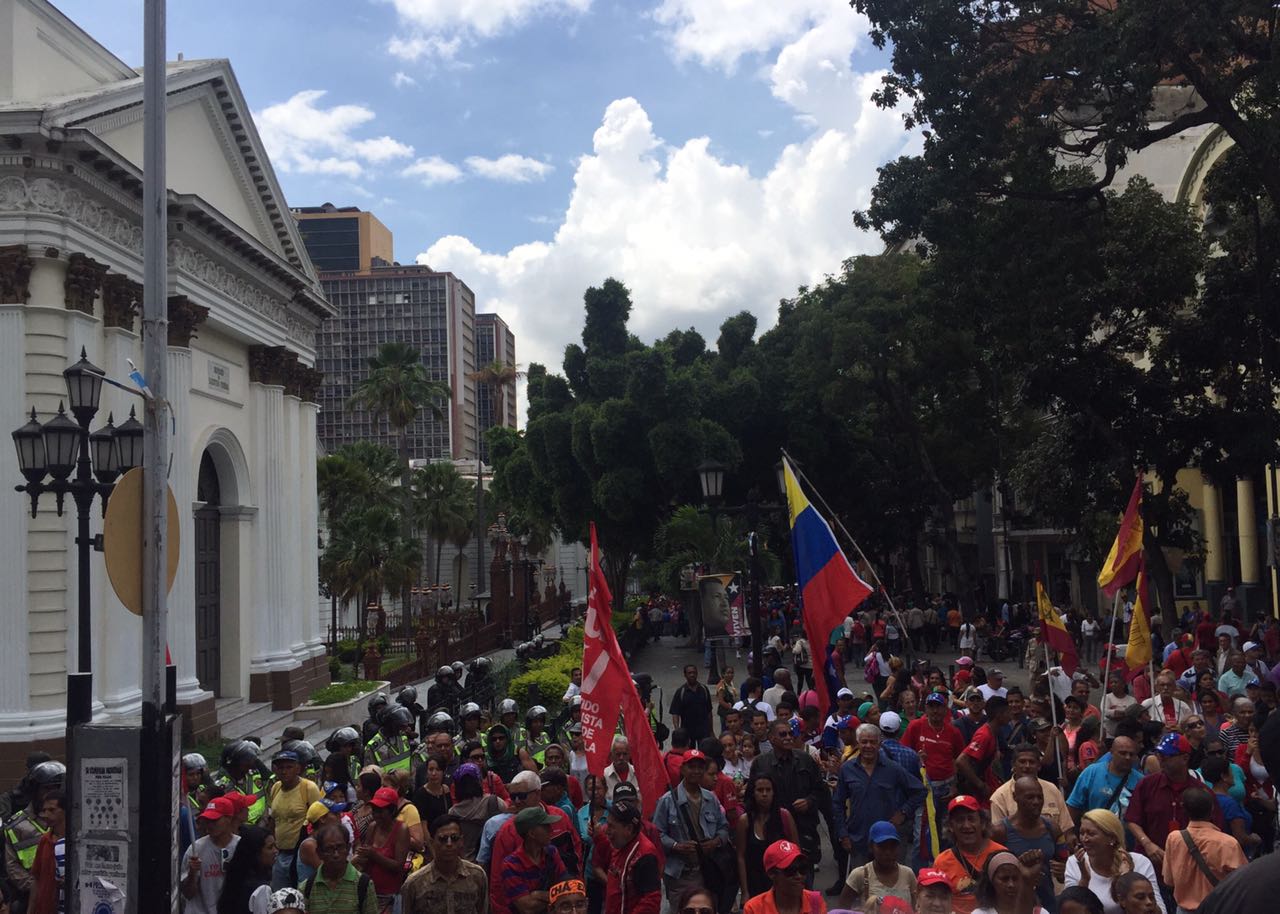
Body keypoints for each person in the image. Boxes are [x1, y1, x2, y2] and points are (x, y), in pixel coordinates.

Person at [832, 724, 925, 872]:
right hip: (858, 839)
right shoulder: (847, 769)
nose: (868, 746)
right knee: (861, 886)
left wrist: (903, 813)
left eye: (872, 742)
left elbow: (920, 790)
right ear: (858, 743)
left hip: (886, 842)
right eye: (864, 742)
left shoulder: (892, 768)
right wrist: (843, 834)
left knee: (889, 887)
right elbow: (837, 803)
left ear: (879, 743)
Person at [1125, 734, 1224, 864]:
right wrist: (1147, 843)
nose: (1161, 760)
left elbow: (1216, 829)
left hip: (1188, 864)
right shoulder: (1147, 784)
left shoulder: (1202, 792)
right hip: (1151, 862)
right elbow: (1132, 819)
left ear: (1185, 758)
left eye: (1167, 757)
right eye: (1159, 755)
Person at [652, 750, 732, 907]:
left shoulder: (711, 798)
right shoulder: (668, 801)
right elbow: (657, 834)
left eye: (700, 767)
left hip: (707, 870)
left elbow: (724, 828)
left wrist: (715, 842)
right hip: (680, 874)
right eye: (691, 767)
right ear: (683, 769)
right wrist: (676, 846)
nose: (696, 771)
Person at [750, 720, 828, 875]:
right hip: (773, 830)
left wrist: (809, 801)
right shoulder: (760, 763)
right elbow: (751, 797)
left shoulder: (805, 760)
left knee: (803, 879)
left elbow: (820, 790)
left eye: (791, 733)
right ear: (771, 738)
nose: (788, 737)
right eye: (783, 734)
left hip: (803, 829)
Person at [1160, 787, 1245, 914]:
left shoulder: (1174, 838)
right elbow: (1242, 884)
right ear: (1212, 810)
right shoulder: (1228, 843)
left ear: (1184, 810)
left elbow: (1168, 880)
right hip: (1219, 909)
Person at [1062, 810, 1166, 914]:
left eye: (1091, 834)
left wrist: (1127, 878)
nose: (1084, 839)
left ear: (1111, 838)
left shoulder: (1140, 863)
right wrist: (1084, 880)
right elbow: (1071, 909)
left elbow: (1160, 911)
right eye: (1082, 833)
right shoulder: (1075, 862)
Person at [989, 777, 1065, 912]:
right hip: (1013, 906)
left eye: (1039, 797)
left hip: (1047, 903)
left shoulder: (1053, 829)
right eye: (1030, 797)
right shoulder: (999, 832)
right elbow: (989, 873)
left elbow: (1063, 868)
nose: (1036, 802)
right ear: (1015, 797)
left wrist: (1062, 869)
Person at [932, 796, 1008, 914]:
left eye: (971, 819)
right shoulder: (942, 862)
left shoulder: (1001, 855)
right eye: (960, 820)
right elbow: (937, 902)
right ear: (951, 827)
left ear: (982, 823)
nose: (966, 825)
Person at [400, 813, 488, 914]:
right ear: (432, 843)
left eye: (454, 838)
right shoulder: (414, 884)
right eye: (443, 839)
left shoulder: (477, 876)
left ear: (461, 841)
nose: (449, 844)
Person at [5, 759, 64, 908]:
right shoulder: (17, 825)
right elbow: (12, 866)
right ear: (35, 791)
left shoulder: (71, 819)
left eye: (56, 787)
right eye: (47, 788)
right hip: (33, 893)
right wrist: (36, 886)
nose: (51, 793)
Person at [990, 745, 1075, 845]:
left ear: (1039, 766)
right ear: (1013, 765)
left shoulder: (1052, 790)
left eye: (1032, 762)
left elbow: (1066, 830)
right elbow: (997, 837)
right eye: (1022, 762)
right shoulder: (1000, 796)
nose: (1027, 766)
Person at [735, 774, 799, 901]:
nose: (764, 794)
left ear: (774, 792)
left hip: (782, 885)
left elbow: (796, 853)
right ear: (753, 793)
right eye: (760, 790)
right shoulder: (745, 821)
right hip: (755, 885)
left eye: (768, 790)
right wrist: (745, 891)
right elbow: (741, 857)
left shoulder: (784, 816)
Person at [268, 750, 323, 890]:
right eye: (280, 768)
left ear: (298, 768)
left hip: (300, 855)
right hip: (280, 854)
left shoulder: (308, 788)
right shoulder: (275, 788)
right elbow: (273, 819)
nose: (284, 771)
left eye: (289, 767)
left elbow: (319, 819)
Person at [498, 807, 568, 914]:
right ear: (531, 833)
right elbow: (527, 907)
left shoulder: (552, 853)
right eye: (545, 826)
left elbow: (568, 890)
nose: (551, 829)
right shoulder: (511, 865)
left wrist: (537, 894)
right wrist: (557, 897)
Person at [837, 820, 917, 911]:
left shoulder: (908, 874)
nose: (888, 852)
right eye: (882, 846)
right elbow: (842, 909)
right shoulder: (860, 875)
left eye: (893, 846)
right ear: (871, 847)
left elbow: (917, 907)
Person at [297, 824, 376, 914]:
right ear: (319, 853)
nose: (336, 854)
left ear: (348, 848)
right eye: (329, 849)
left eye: (340, 847)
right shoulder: (307, 888)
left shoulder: (363, 885)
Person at [905, 691, 966, 806]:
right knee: (926, 823)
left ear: (945, 709)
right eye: (931, 707)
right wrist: (917, 758)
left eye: (938, 706)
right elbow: (904, 754)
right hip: (923, 787)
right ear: (926, 709)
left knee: (945, 822)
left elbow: (959, 760)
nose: (935, 711)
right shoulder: (915, 726)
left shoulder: (954, 732)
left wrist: (954, 786)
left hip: (947, 788)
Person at [182, 797, 242, 914]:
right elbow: (188, 894)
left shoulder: (241, 847)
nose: (210, 825)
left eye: (214, 820)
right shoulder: (195, 849)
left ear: (228, 819)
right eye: (207, 821)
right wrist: (192, 873)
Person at [602, 799, 662, 914]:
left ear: (628, 829)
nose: (607, 830)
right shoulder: (621, 842)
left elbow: (651, 901)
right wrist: (597, 837)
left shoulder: (645, 856)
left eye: (611, 826)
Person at [1067, 736, 1143, 823]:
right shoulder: (1092, 772)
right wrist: (1070, 834)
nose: (1127, 757)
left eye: (1131, 754)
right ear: (1111, 752)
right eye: (1122, 753)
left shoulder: (1141, 781)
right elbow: (1074, 806)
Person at [355, 787, 409, 908]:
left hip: (389, 896)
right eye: (374, 811)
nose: (376, 815)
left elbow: (398, 866)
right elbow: (365, 858)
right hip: (369, 892)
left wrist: (374, 855)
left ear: (392, 811)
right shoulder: (372, 827)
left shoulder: (401, 830)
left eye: (381, 811)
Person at [742, 840, 827, 914]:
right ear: (772, 874)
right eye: (791, 870)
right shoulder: (754, 909)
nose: (799, 876)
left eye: (802, 868)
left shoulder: (815, 901)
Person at [957, 696, 1013, 805]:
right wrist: (981, 785)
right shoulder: (984, 735)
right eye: (1007, 712)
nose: (1010, 716)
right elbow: (961, 761)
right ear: (999, 715)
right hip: (982, 795)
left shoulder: (994, 732)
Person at [217, 825, 277, 914]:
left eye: (275, 846)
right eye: (270, 847)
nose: (275, 851)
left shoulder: (234, 879)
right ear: (255, 853)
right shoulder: (262, 889)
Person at [28, 789, 65, 914]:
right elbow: (36, 879)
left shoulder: (74, 844)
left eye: (52, 810)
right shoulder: (45, 840)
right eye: (44, 810)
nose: (46, 814)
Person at [604, 737, 642, 806]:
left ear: (630, 754)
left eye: (625, 754)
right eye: (618, 754)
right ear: (611, 754)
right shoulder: (604, 776)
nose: (621, 758)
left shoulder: (639, 774)